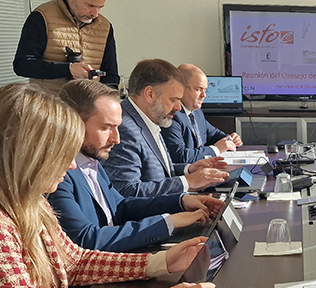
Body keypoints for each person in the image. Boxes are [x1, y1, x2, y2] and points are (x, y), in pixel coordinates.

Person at [0, 83, 215, 288]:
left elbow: (74, 261)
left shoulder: (32, 203)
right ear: (27, 154)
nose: (72, 165)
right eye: (61, 153)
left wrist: (159, 262)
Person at [48, 80, 225, 252]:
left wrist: (181, 202)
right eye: (106, 128)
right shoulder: (57, 176)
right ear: (73, 124)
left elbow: (119, 206)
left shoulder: (91, 160)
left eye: (117, 128)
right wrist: (169, 222)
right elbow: (86, 239)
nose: (116, 139)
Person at [101, 59, 230, 197]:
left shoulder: (150, 119)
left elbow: (155, 172)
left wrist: (188, 169)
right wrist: (188, 182)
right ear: (150, 94)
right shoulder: (124, 129)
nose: (178, 108)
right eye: (173, 100)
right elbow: (127, 191)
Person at [13, 0, 118, 94]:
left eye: (100, 7)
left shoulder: (105, 26)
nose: (95, 14)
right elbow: (22, 65)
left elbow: (111, 76)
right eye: (90, 5)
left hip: (89, 105)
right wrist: (68, 70)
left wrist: (106, 98)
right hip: (48, 104)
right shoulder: (41, 17)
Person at [161, 64, 243, 163]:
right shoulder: (171, 115)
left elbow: (214, 134)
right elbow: (180, 157)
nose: (204, 95)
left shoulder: (196, 112)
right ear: (181, 88)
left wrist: (231, 139)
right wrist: (216, 149)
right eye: (198, 89)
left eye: (205, 90)